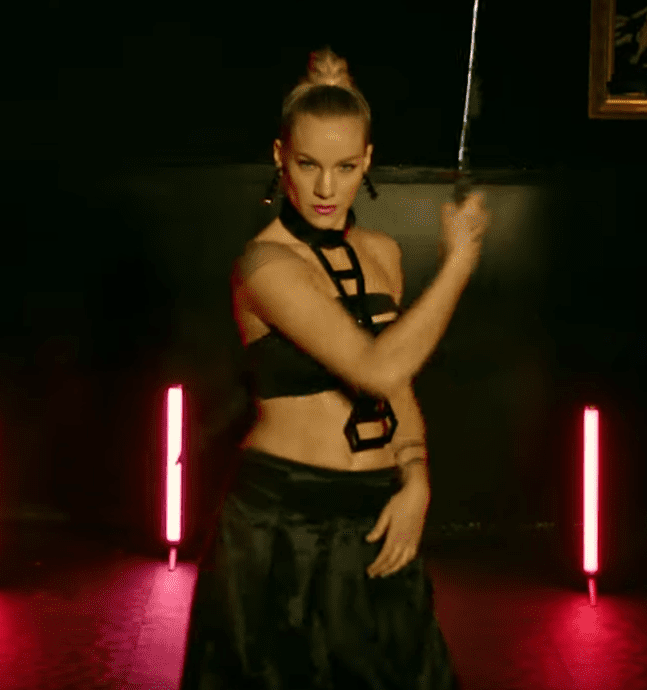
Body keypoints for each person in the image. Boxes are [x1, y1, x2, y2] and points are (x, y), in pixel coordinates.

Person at [179, 48, 489, 689]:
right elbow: (375, 369)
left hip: (376, 513)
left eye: (345, 167)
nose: (326, 188)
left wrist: (416, 477)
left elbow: (398, 389)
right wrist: (459, 264)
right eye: (308, 164)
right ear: (279, 157)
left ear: (367, 162)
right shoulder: (264, 265)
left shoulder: (383, 253)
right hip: (280, 523)